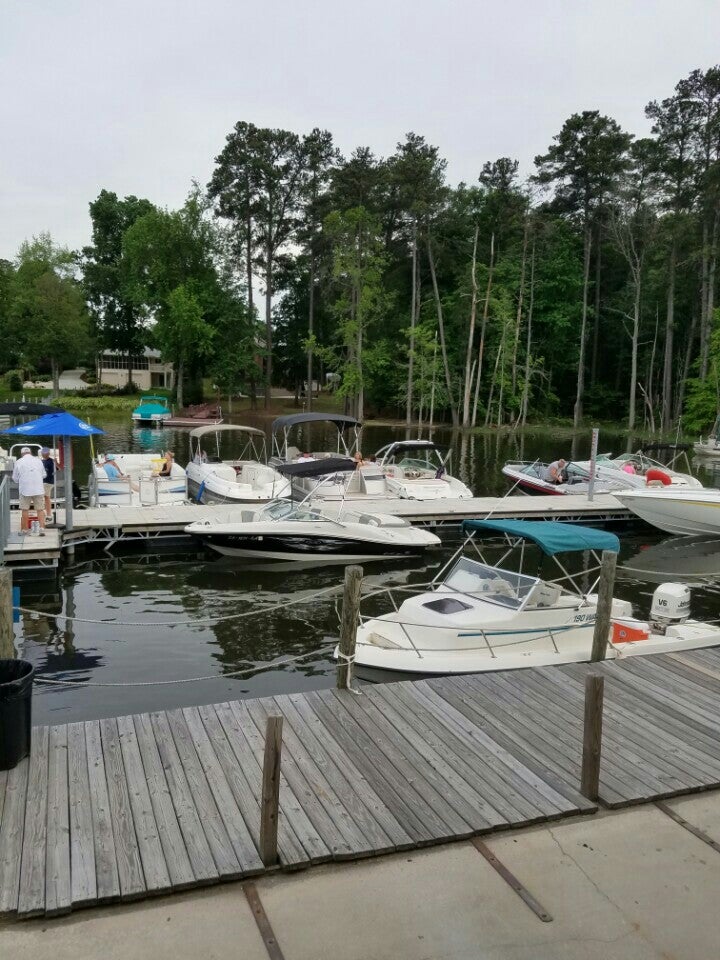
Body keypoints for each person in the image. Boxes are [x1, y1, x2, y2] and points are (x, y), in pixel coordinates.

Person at [12, 446, 46, 535]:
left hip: (25, 489)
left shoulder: (18, 462)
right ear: (30, 453)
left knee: (25, 509)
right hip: (38, 488)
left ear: (22, 454)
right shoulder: (39, 461)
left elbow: (15, 478)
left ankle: (25, 530)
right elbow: (43, 475)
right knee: (40, 509)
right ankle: (42, 529)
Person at [40, 447, 57, 519]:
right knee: (46, 497)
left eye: (46, 453)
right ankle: (48, 514)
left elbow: (53, 472)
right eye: (43, 453)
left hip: (47, 482)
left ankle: (45, 514)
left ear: (49, 453)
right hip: (44, 482)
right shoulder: (41, 461)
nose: (44, 454)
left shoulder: (51, 462)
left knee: (41, 497)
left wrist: (56, 463)